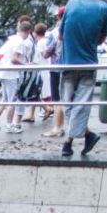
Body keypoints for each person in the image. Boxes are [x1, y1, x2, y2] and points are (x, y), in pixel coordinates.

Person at [58, 0, 107, 156]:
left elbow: (61, 36)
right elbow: (101, 39)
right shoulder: (104, 8)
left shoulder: (72, 3)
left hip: (68, 63)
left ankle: (68, 143)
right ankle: (87, 135)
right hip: (88, 63)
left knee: (69, 105)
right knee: (78, 106)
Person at [0, 20, 33, 133]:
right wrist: (26, 65)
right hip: (11, 73)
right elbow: (14, 59)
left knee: (5, 99)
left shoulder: (12, 39)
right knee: (12, 100)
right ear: (28, 31)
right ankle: (9, 125)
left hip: (3, 71)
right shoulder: (20, 42)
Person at [42, 7, 66, 137]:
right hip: (71, 68)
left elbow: (47, 53)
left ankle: (57, 127)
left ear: (58, 17)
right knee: (68, 99)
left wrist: (43, 53)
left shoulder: (55, 32)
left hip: (56, 69)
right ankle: (62, 127)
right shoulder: (74, 30)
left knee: (57, 99)